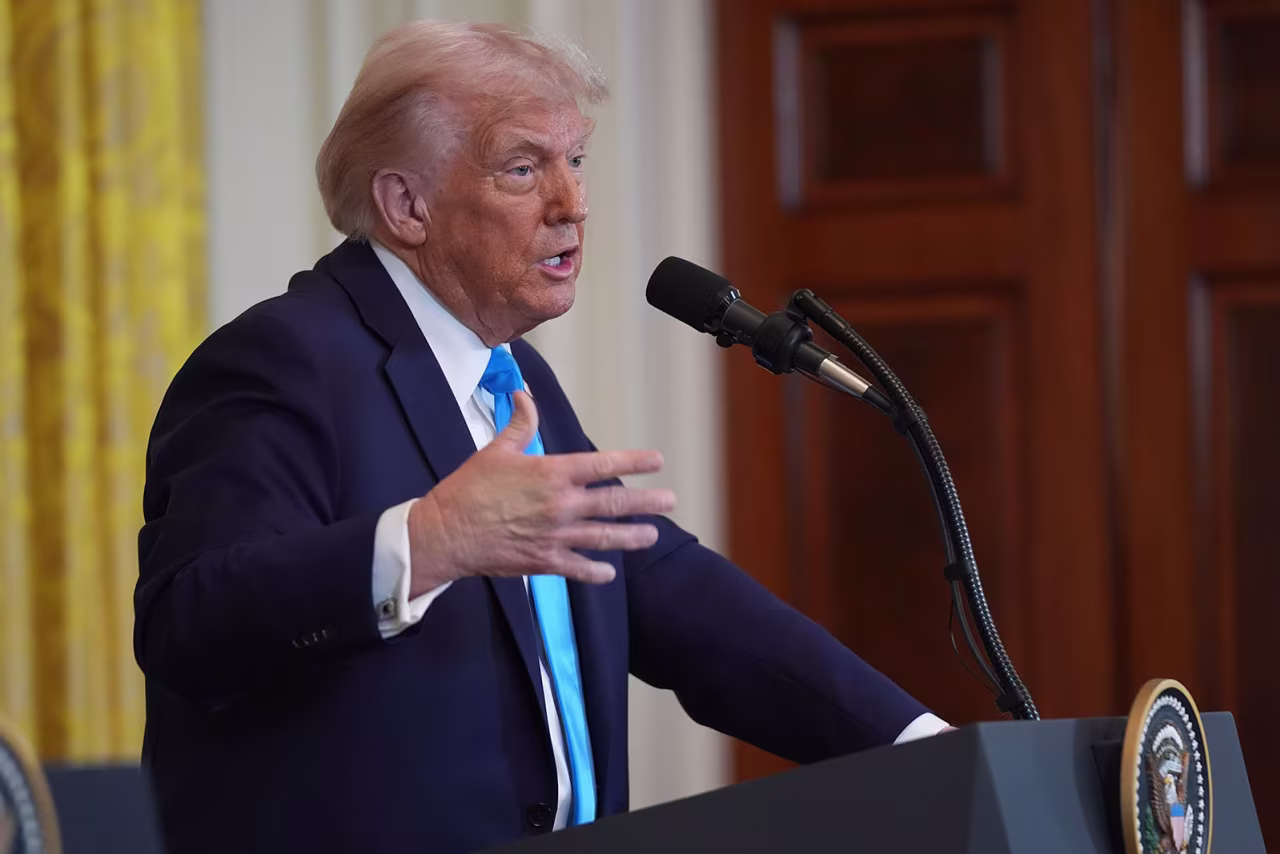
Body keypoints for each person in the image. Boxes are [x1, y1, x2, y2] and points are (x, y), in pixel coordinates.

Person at [134, 20, 948, 854]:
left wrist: (926, 751)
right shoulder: (282, 360)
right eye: (524, 168)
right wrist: (427, 543)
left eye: (577, 161)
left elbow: (659, 583)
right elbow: (191, 623)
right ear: (406, 205)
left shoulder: (507, 372)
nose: (574, 203)